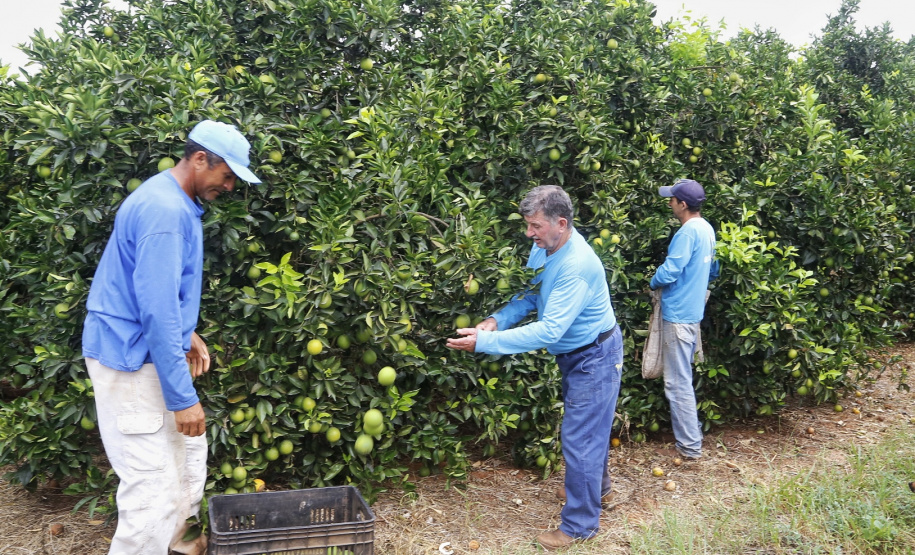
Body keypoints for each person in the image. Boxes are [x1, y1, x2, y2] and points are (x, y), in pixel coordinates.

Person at [82, 120, 261, 555]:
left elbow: (150, 290)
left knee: (186, 464)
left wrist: (186, 331)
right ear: (200, 159)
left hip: (147, 349)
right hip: (131, 359)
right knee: (151, 491)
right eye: (227, 175)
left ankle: (182, 546)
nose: (230, 186)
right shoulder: (165, 212)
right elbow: (156, 311)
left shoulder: (171, 199)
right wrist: (182, 398)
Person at [446, 185, 622, 551]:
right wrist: (497, 320)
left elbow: (549, 330)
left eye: (535, 226)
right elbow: (531, 293)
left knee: (580, 438)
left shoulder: (576, 266)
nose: (529, 234)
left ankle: (580, 525)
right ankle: (595, 489)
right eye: (528, 225)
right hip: (576, 354)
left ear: (561, 223)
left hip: (595, 356)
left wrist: (486, 343)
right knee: (589, 431)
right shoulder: (545, 246)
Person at [649, 178, 718, 460]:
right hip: (691, 314)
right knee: (682, 379)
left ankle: (690, 447)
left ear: (683, 204)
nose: (670, 203)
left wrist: (653, 281)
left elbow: (670, 271)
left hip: (677, 316)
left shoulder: (687, 232)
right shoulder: (707, 229)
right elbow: (713, 270)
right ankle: (691, 439)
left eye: (672, 199)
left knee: (677, 383)